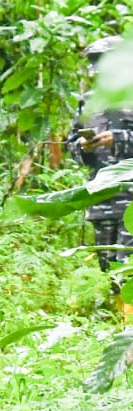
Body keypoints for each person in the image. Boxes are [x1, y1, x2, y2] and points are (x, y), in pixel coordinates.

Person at [67, 35, 133, 316]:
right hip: (103, 197)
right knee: (109, 268)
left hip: (131, 198)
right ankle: (123, 325)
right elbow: (71, 143)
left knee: (129, 267)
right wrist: (84, 147)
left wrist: (118, 139)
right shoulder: (89, 101)